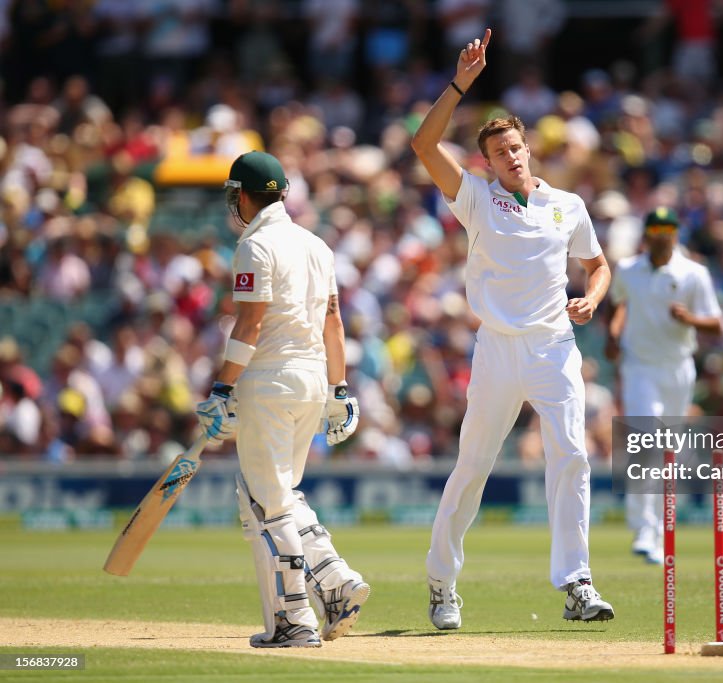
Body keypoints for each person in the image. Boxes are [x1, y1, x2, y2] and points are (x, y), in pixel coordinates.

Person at [410, 29, 615, 629]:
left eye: (518, 148)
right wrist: (458, 85)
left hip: (554, 344)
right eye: (501, 153)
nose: (513, 158)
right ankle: (442, 582)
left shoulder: (566, 205)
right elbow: (423, 143)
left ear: (529, 148)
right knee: (473, 465)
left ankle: (576, 583)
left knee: (573, 455)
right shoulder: (473, 198)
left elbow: (598, 266)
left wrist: (593, 301)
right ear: (487, 162)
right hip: (498, 349)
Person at [195, 151, 369, 648]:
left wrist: (222, 388)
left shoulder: (256, 246)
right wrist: (340, 391)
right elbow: (333, 324)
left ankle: (293, 622)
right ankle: (335, 582)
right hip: (313, 381)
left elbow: (248, 324)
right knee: (284, 495)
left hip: (269, 381)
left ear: (244, 196)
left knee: (263, 504)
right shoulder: (316, 245)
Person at [605, 207, 722, 564]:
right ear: (647, 234)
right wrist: (614, 332)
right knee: (647, 441)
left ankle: (656, 530)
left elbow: (716, 325)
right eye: (655, 228)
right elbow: (620, 303)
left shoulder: (694, 274)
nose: (661, 234)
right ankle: (643, 526)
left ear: (675, 234)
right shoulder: (627, 270)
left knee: (666, 451)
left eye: (667, 228)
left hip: (677, 369)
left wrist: (689, 319)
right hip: (639, 366)